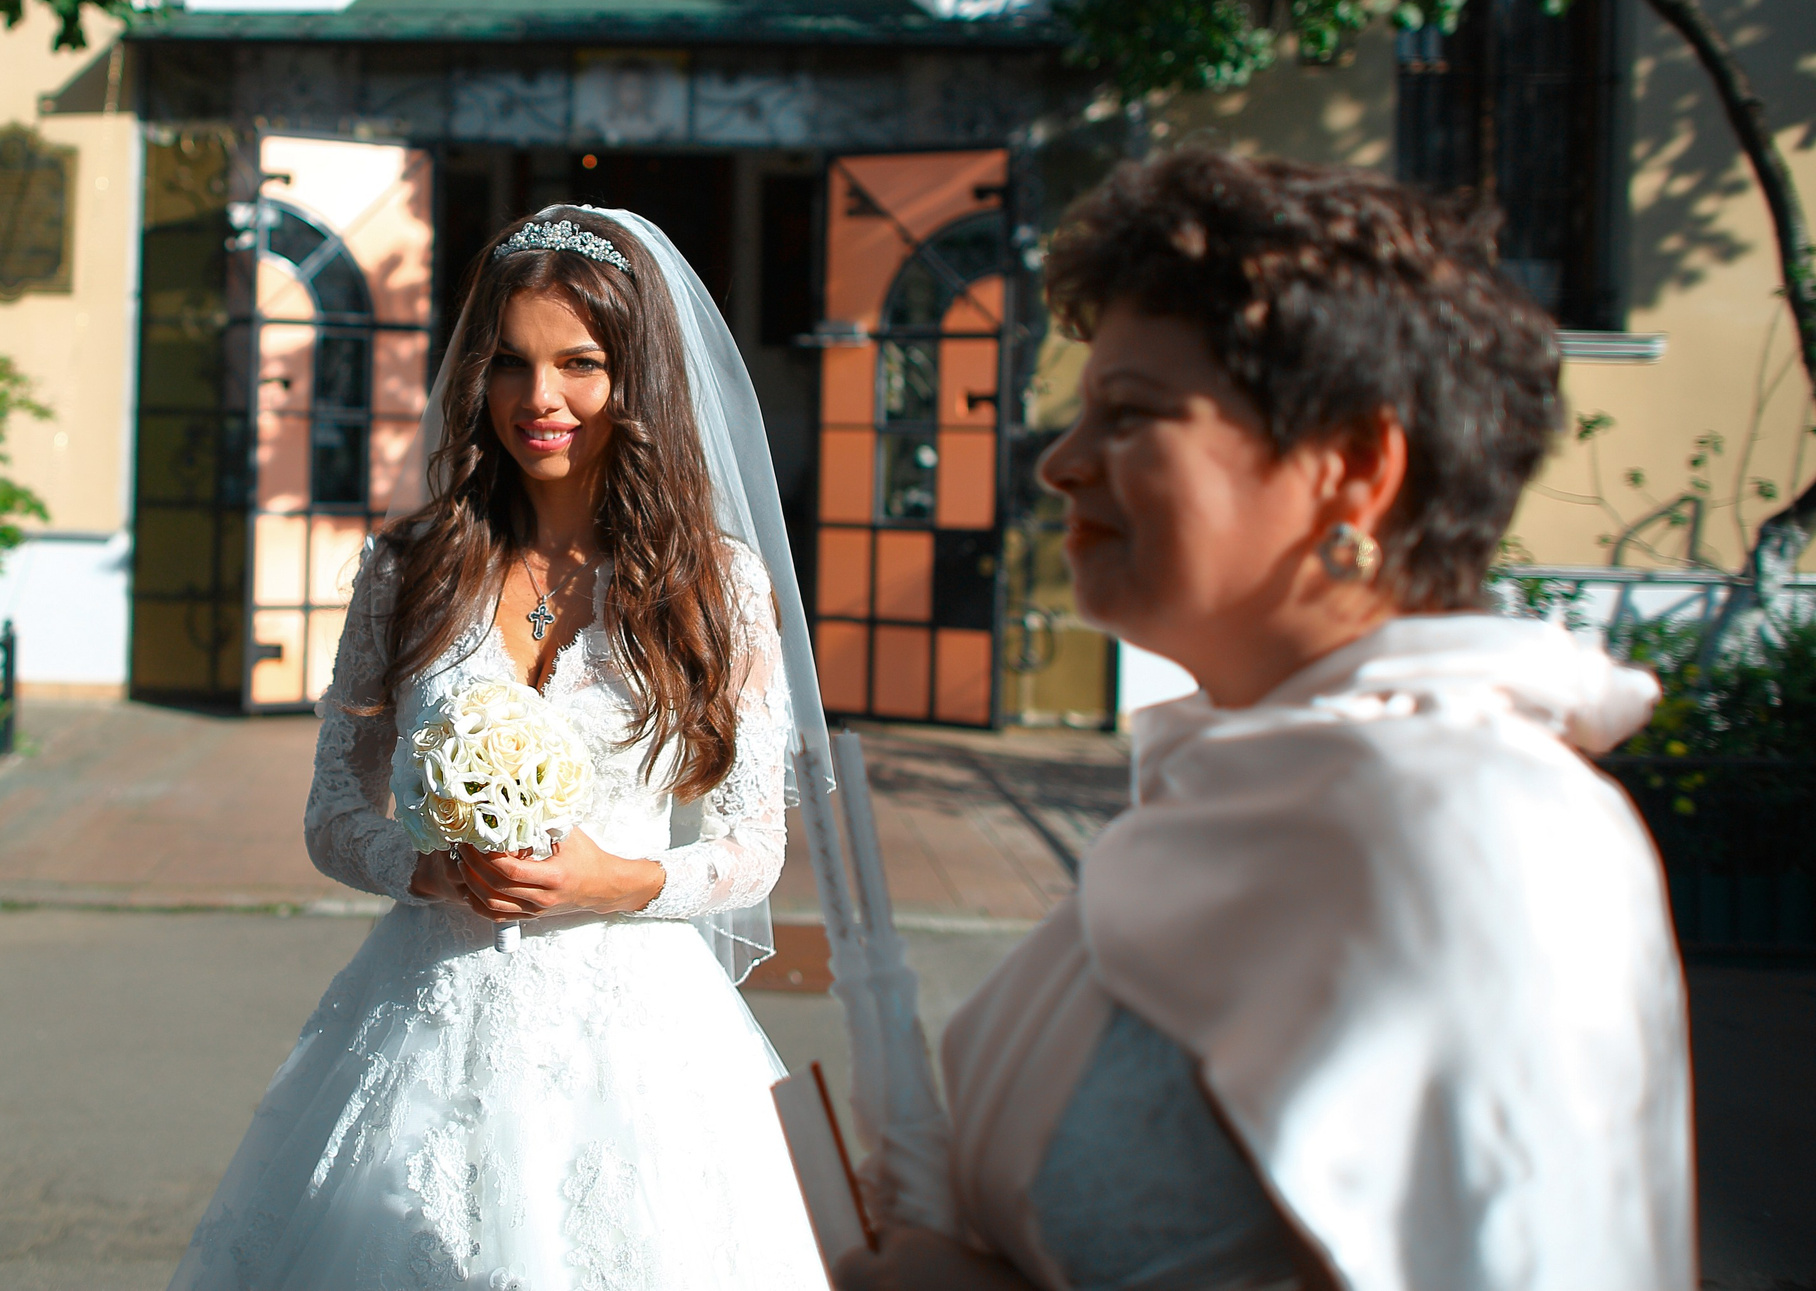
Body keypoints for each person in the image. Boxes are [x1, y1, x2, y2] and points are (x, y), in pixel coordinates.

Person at [836, 150, 1690, 1291]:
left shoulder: (1475, 833)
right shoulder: (1243, 781)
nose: (1059, 465)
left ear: (1351, 467)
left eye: (1130, 415)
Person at [168, 207, 831, 1289]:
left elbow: (755, 846)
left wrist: (615, 878)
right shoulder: (412, 569)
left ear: (637, 377)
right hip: (427, 1011)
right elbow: (331, 814)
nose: (541, 400)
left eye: (580, 364)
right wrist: (416, 865)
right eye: (511, 365)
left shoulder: (716, 585)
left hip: (639, 1039)